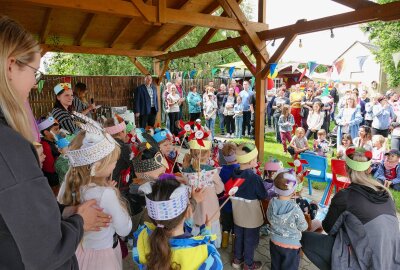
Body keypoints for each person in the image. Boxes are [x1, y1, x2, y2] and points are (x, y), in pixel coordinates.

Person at [0, 16, 110, 269]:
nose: (33, 82)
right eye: (34, 72)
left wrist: (59, 216)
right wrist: (79, 222)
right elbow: (46, 251)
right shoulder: (8, 146)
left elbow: (17, 219)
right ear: (10, 66)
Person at [301, 147, 400, 270]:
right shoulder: (386, 194)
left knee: (305, 238)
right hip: (393, 261)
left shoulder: (345, 196)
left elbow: (329, 228)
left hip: (367, 263)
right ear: (369, 170)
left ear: (346, 169)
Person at [58, 119, 132, 270]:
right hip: (103, 258)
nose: (115, 164)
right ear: (98, 165)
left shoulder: (68, 181)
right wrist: (114, 196)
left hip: (77, 253)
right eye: (113, 160)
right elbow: (124, 229)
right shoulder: (106, 194)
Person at [132, 175, 223, 270]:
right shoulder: (205, 253)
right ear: (188, 212)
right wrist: (206, 233)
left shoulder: (142, 237)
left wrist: (193, 201)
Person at [182, 133, 224, 248]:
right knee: (210, 240)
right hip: (210, 214)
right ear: (209, 154)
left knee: (195, 240)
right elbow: (220, 189)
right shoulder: (212, 172)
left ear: (191, 153)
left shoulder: (186, 172)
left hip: (193, 214)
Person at [231, 143, 267, 270]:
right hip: (251, 216)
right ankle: (248, 264)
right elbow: (263, 194)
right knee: (250, 240)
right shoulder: (254, 177)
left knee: (239, 237)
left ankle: (237, 260)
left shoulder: (234, 173)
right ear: (252, 160)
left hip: (238, 214)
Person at [267, 169, 308, 270]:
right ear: (293, 191)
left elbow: (269, 217)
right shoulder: (295, 208)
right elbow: (303, 226)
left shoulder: (272, 202)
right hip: (291, 245)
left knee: (275, 265)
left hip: (274, 241)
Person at [219, 142, 240, 248]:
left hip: (225, 203)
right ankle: (234, 247)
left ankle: (224, 243)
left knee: (226, 224)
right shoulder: (240, 169)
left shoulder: (222, 170)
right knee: (235, 226)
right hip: (237, 204)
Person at [103, 115, 133, 191]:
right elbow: (134, 166)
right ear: (121, 132)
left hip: (104, 183)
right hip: (119, 186)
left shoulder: (103, 146)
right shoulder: (124, 148)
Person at [38, 116, 61, 193]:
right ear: (46, 132)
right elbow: (49, 168)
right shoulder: (45, 146)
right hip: (52, 177)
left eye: (58, 129)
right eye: (56, 130)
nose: (58, 131)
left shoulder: (52, 141)